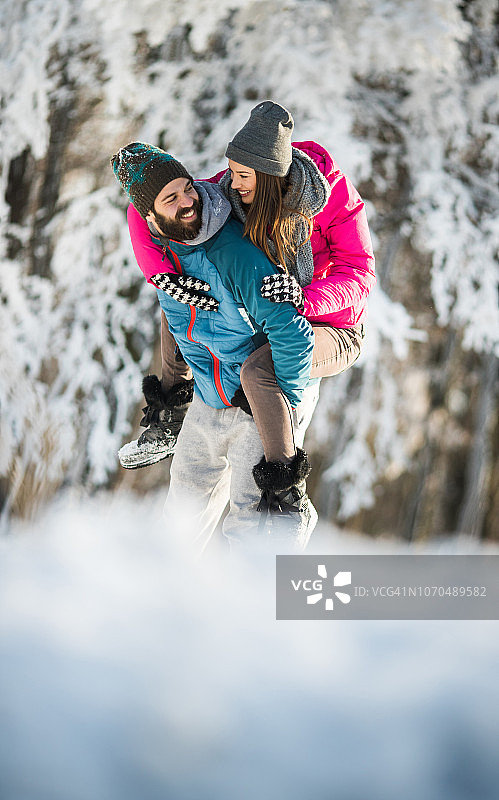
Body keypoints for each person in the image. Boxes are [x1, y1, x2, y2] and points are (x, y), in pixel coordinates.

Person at [119, 101, 375, 516]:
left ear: (270, 174)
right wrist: (161, 275)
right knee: (180, 301)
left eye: (242, 176)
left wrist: (304, 298)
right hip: (271, 314)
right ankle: (170, 409)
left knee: (260, 371)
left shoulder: (331, 196)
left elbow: (360, 274)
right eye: (231, 172)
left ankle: (286, 492)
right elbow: (148, 203)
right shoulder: (234, 186)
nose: (231, 183)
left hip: (332, 327)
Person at [111, 141, 318, 549]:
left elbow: (294, 334)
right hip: (208, 401)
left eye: (187, 188)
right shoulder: (164, 260)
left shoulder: (233, 252)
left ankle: (287, 519)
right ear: (150, 217)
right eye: (171, 199)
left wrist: (283, 409)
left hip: (254, 405)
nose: (188, 201)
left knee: (250, 529)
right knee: (179, 527)